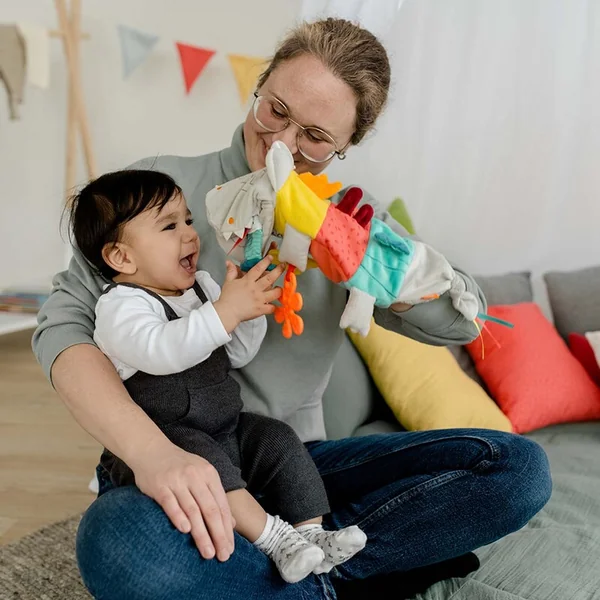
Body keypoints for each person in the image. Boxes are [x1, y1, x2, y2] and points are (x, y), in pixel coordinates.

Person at [33, 18, 552, 599]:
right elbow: (61, 325)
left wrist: (374, 269)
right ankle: (344, 574)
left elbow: (462, 320)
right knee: (117, 542)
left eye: (315, 136)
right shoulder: (159, 190)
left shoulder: (353, 220)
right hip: (177, 463)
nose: (282, 143)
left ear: (345, 147)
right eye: (275, 110)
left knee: (516, 469)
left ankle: (309, 569)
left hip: (290, 464)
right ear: (258, 88)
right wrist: (151, 454)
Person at [67, 169, 367, 584]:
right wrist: (225, 311)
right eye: (170, 226)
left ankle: (311, 532)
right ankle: (276, 540)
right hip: (170, 441)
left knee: (279, 439)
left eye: (188, 220)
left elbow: (238, 352)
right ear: (122, 258)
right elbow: (159, 350)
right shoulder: (121, 306)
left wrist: (246, 311)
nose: (190, 234)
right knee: (206, 465)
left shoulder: (203, 288)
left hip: (226, 427)